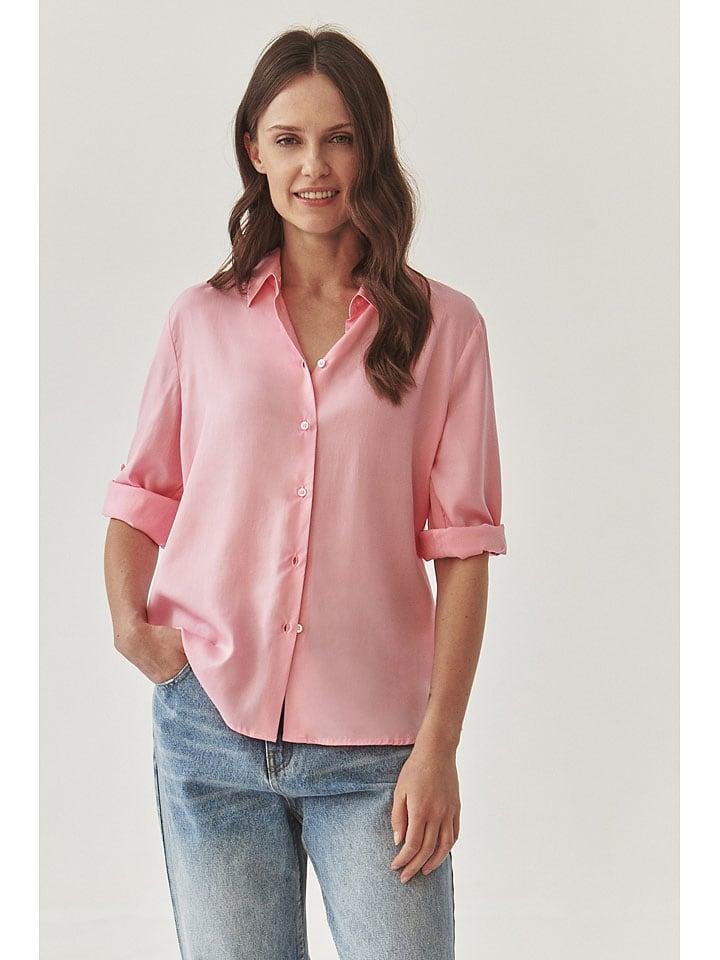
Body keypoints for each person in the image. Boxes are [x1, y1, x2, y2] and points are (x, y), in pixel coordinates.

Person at [101, 25, 507, 960]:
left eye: (339, 138)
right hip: (209, 731)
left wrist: (439, 745)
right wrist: (131, 624)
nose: (313, 166)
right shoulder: (201, 320)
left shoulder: (446, 329)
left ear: (372, 148)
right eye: (288, 139)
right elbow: (142, 494)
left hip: (378, 750)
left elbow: (464, 549)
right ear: (255, 150)